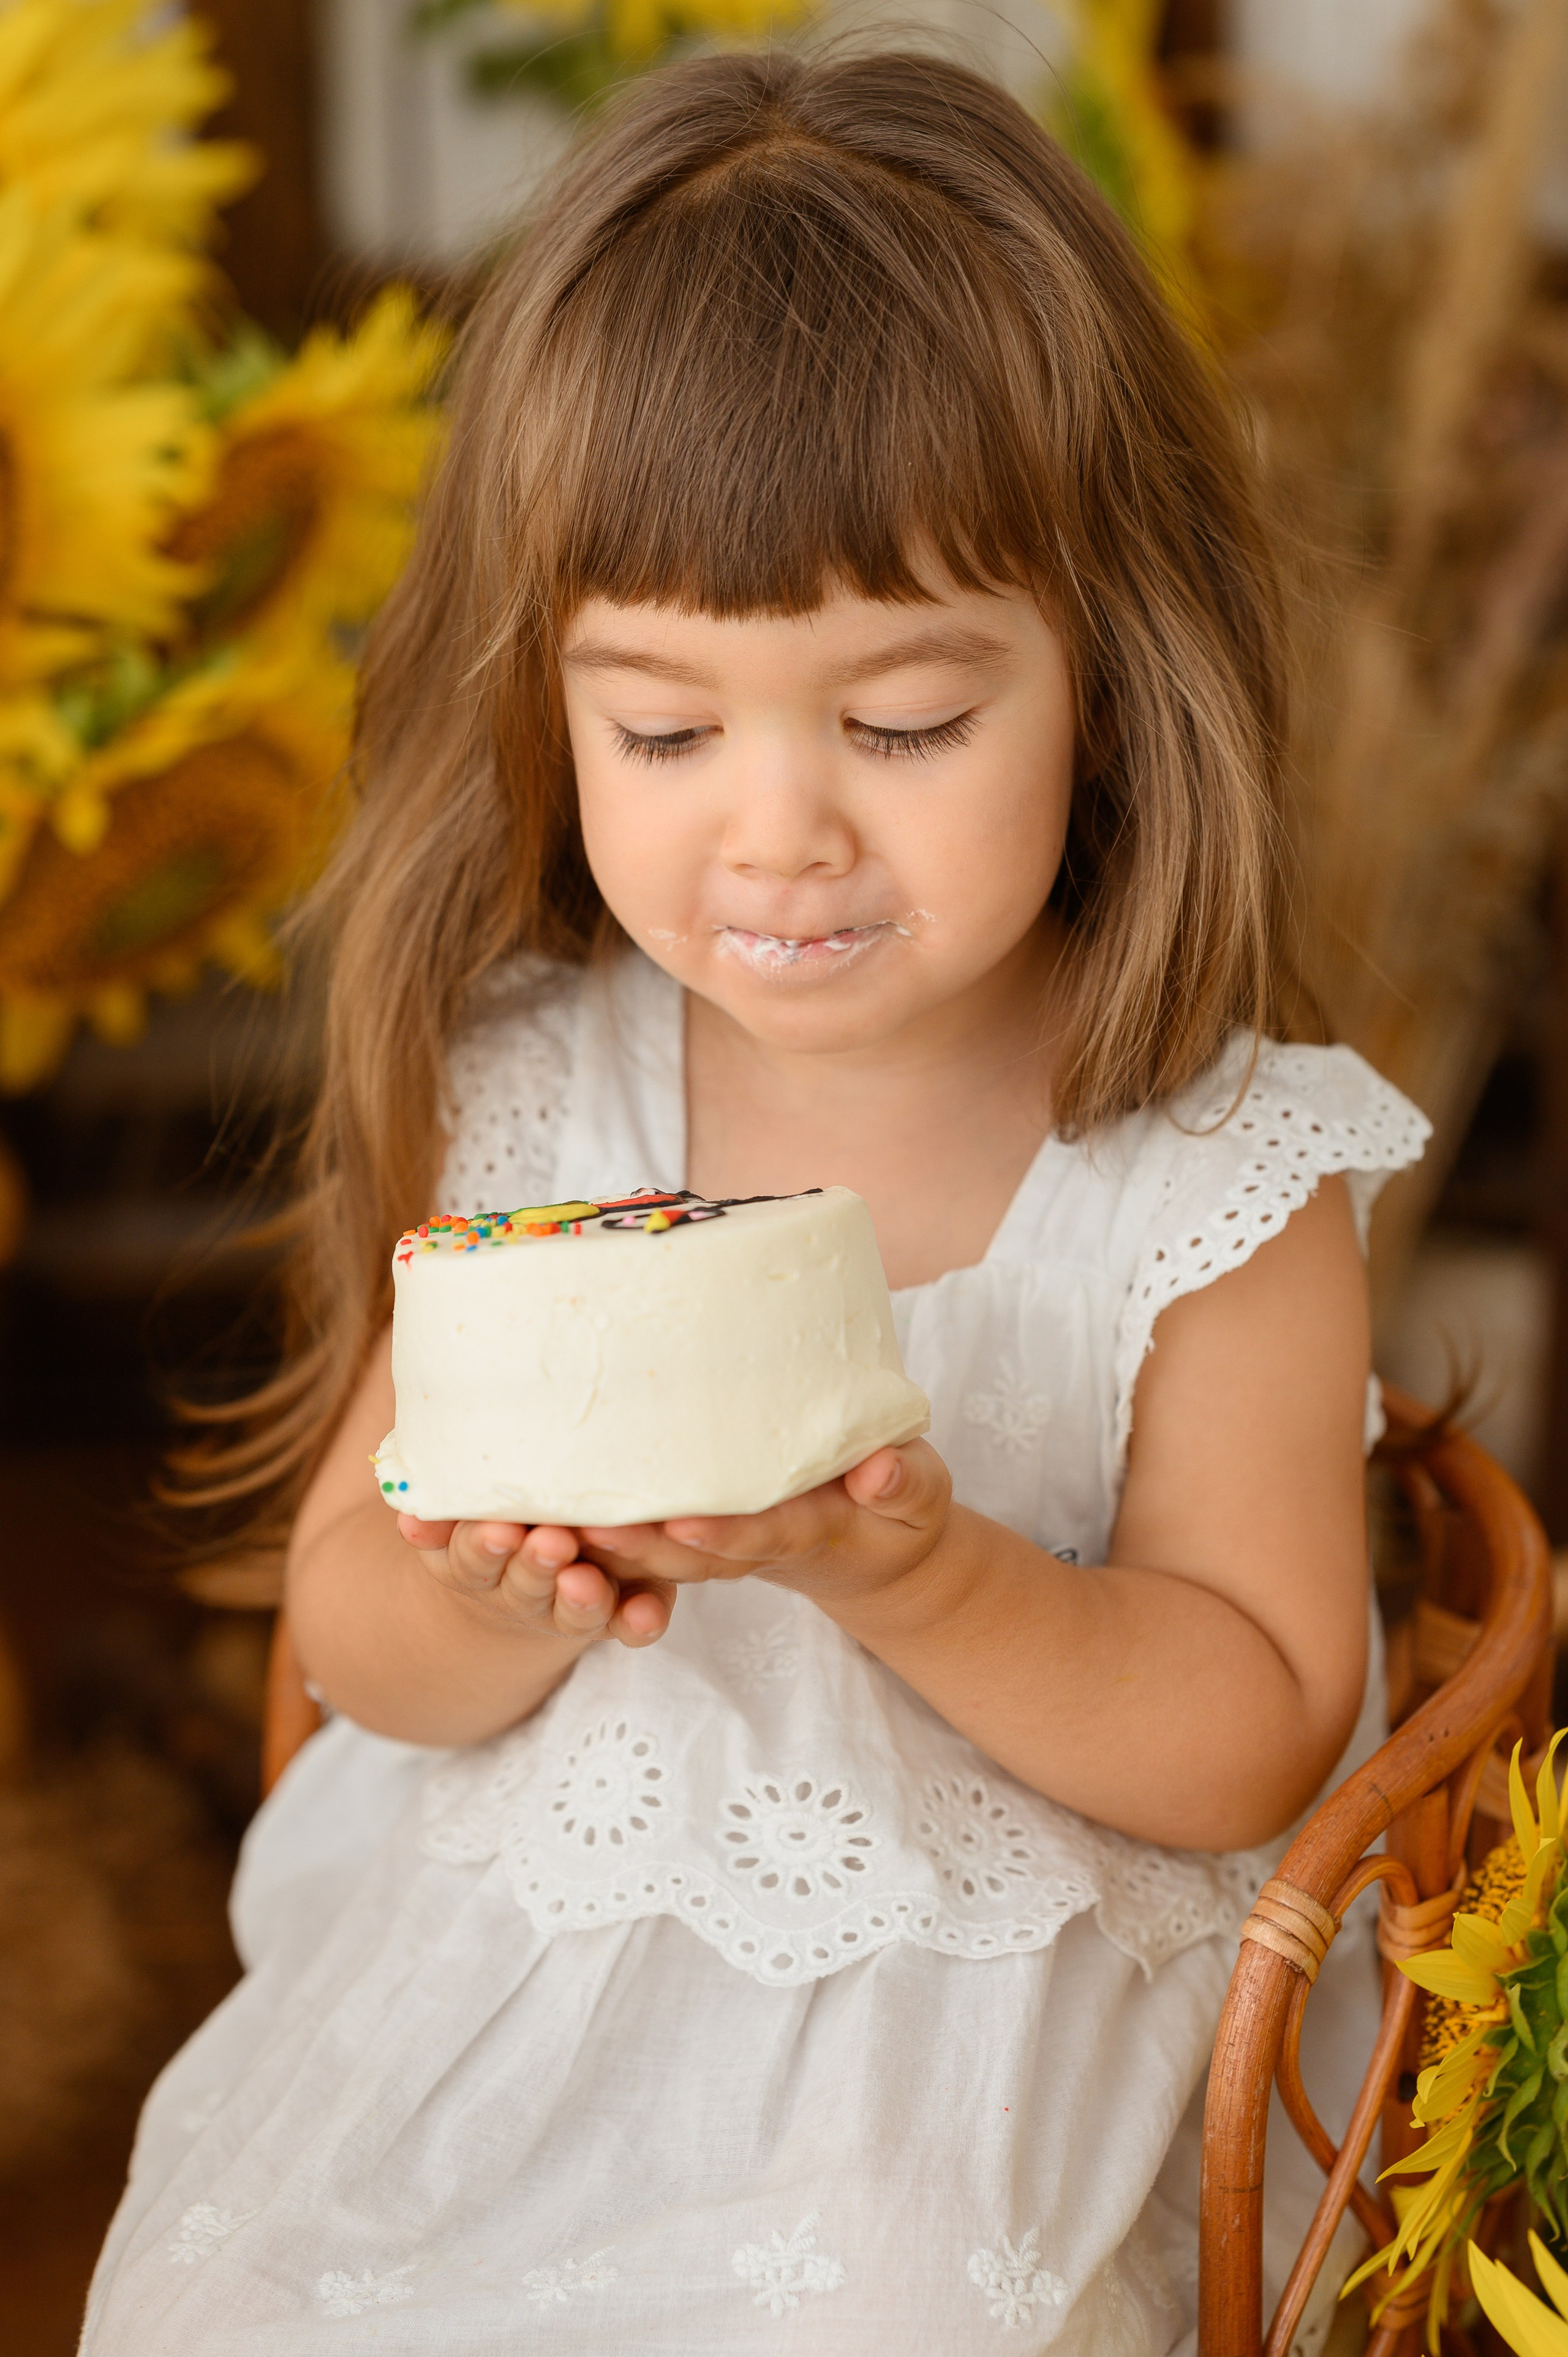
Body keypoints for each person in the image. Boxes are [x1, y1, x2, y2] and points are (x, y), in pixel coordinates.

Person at [81, 48, 1428, 2354]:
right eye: (667, 734)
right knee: (223, 2289)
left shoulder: (1210, 1166)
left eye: (902, 727)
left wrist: (928, 1575)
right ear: (554, 705)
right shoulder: (546, 1089)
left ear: (1117, 681)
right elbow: (353, 1642)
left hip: (978, 2020)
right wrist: (491, 1588)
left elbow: (1261, 1724)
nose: (780, 833)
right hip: (527, 1965)